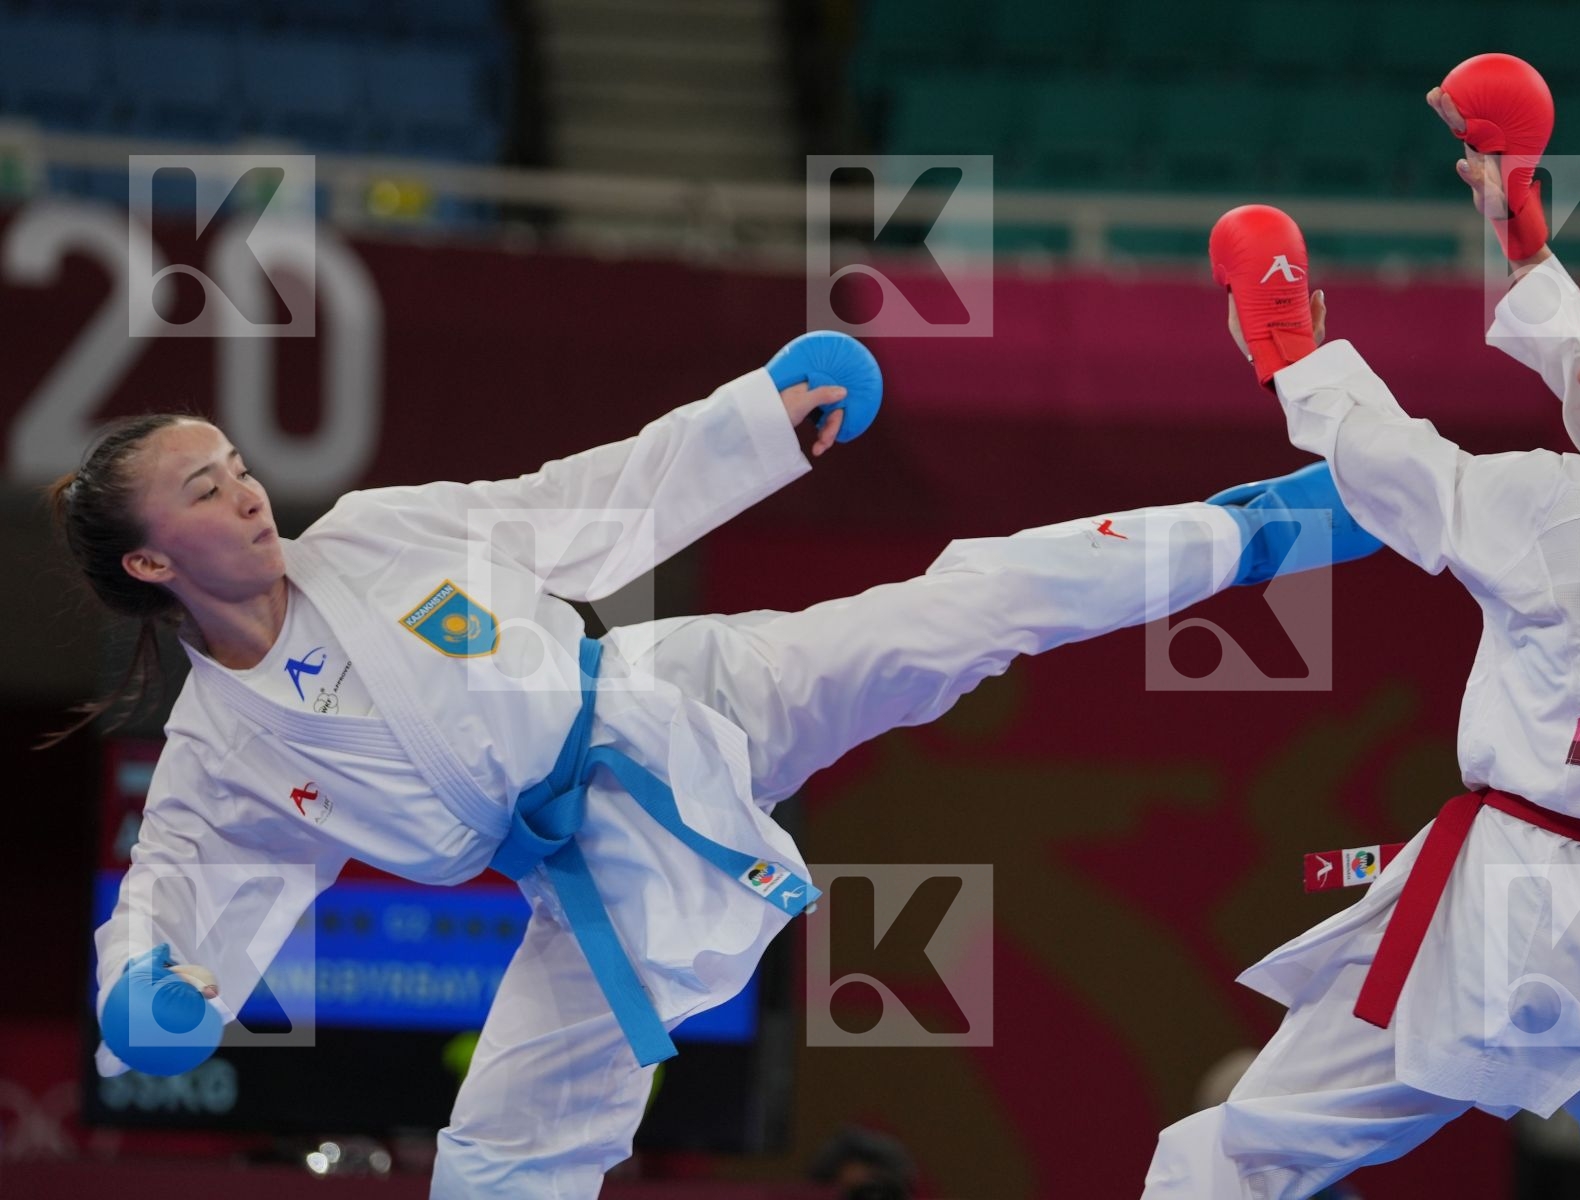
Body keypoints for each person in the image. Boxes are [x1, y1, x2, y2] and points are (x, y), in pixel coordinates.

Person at [52, 329, 1375, 1198]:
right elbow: (173, 890)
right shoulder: (221, 757)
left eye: (233, 464)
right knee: (498, 1162)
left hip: (679, 695)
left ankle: (1247, 533)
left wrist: (756, 422)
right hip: (588, 889)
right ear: (152, 562)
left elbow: (588, 498)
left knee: (963, 608)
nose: (245, 489)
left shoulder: (379, 533)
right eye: (205, 488)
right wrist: (152, 987)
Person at [1142, 54, 1580, 1199]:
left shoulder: (1563, 510)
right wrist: (1527, 248)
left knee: (1243, 1155)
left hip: (1518, 913)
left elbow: (1405, 469)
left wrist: (1291, 352)